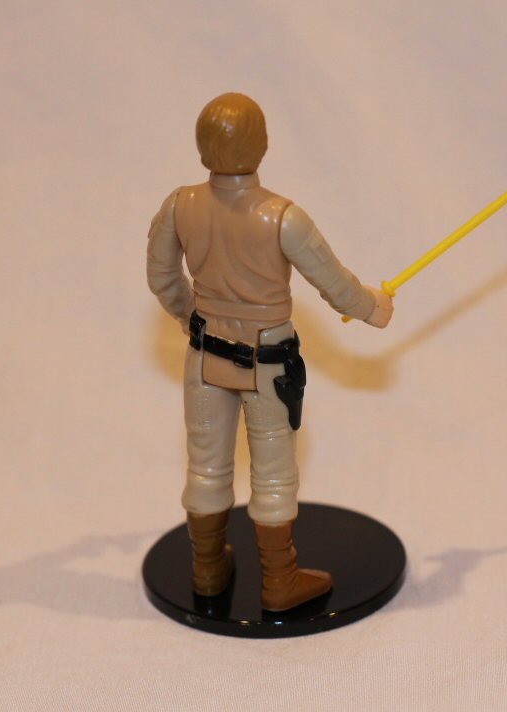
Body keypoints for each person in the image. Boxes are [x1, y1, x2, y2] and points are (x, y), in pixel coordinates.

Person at [146, 92, 393, 612]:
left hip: (205, 356)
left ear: (201, 146)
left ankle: (207, 570)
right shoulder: (283, 217)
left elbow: (161, 277)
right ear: (263, 146)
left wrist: (192, 319)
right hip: (267, 361)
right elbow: (335, 285)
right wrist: (374, 307)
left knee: (206, 468)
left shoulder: (178, 206)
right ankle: (280, 581)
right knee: (274, 472)